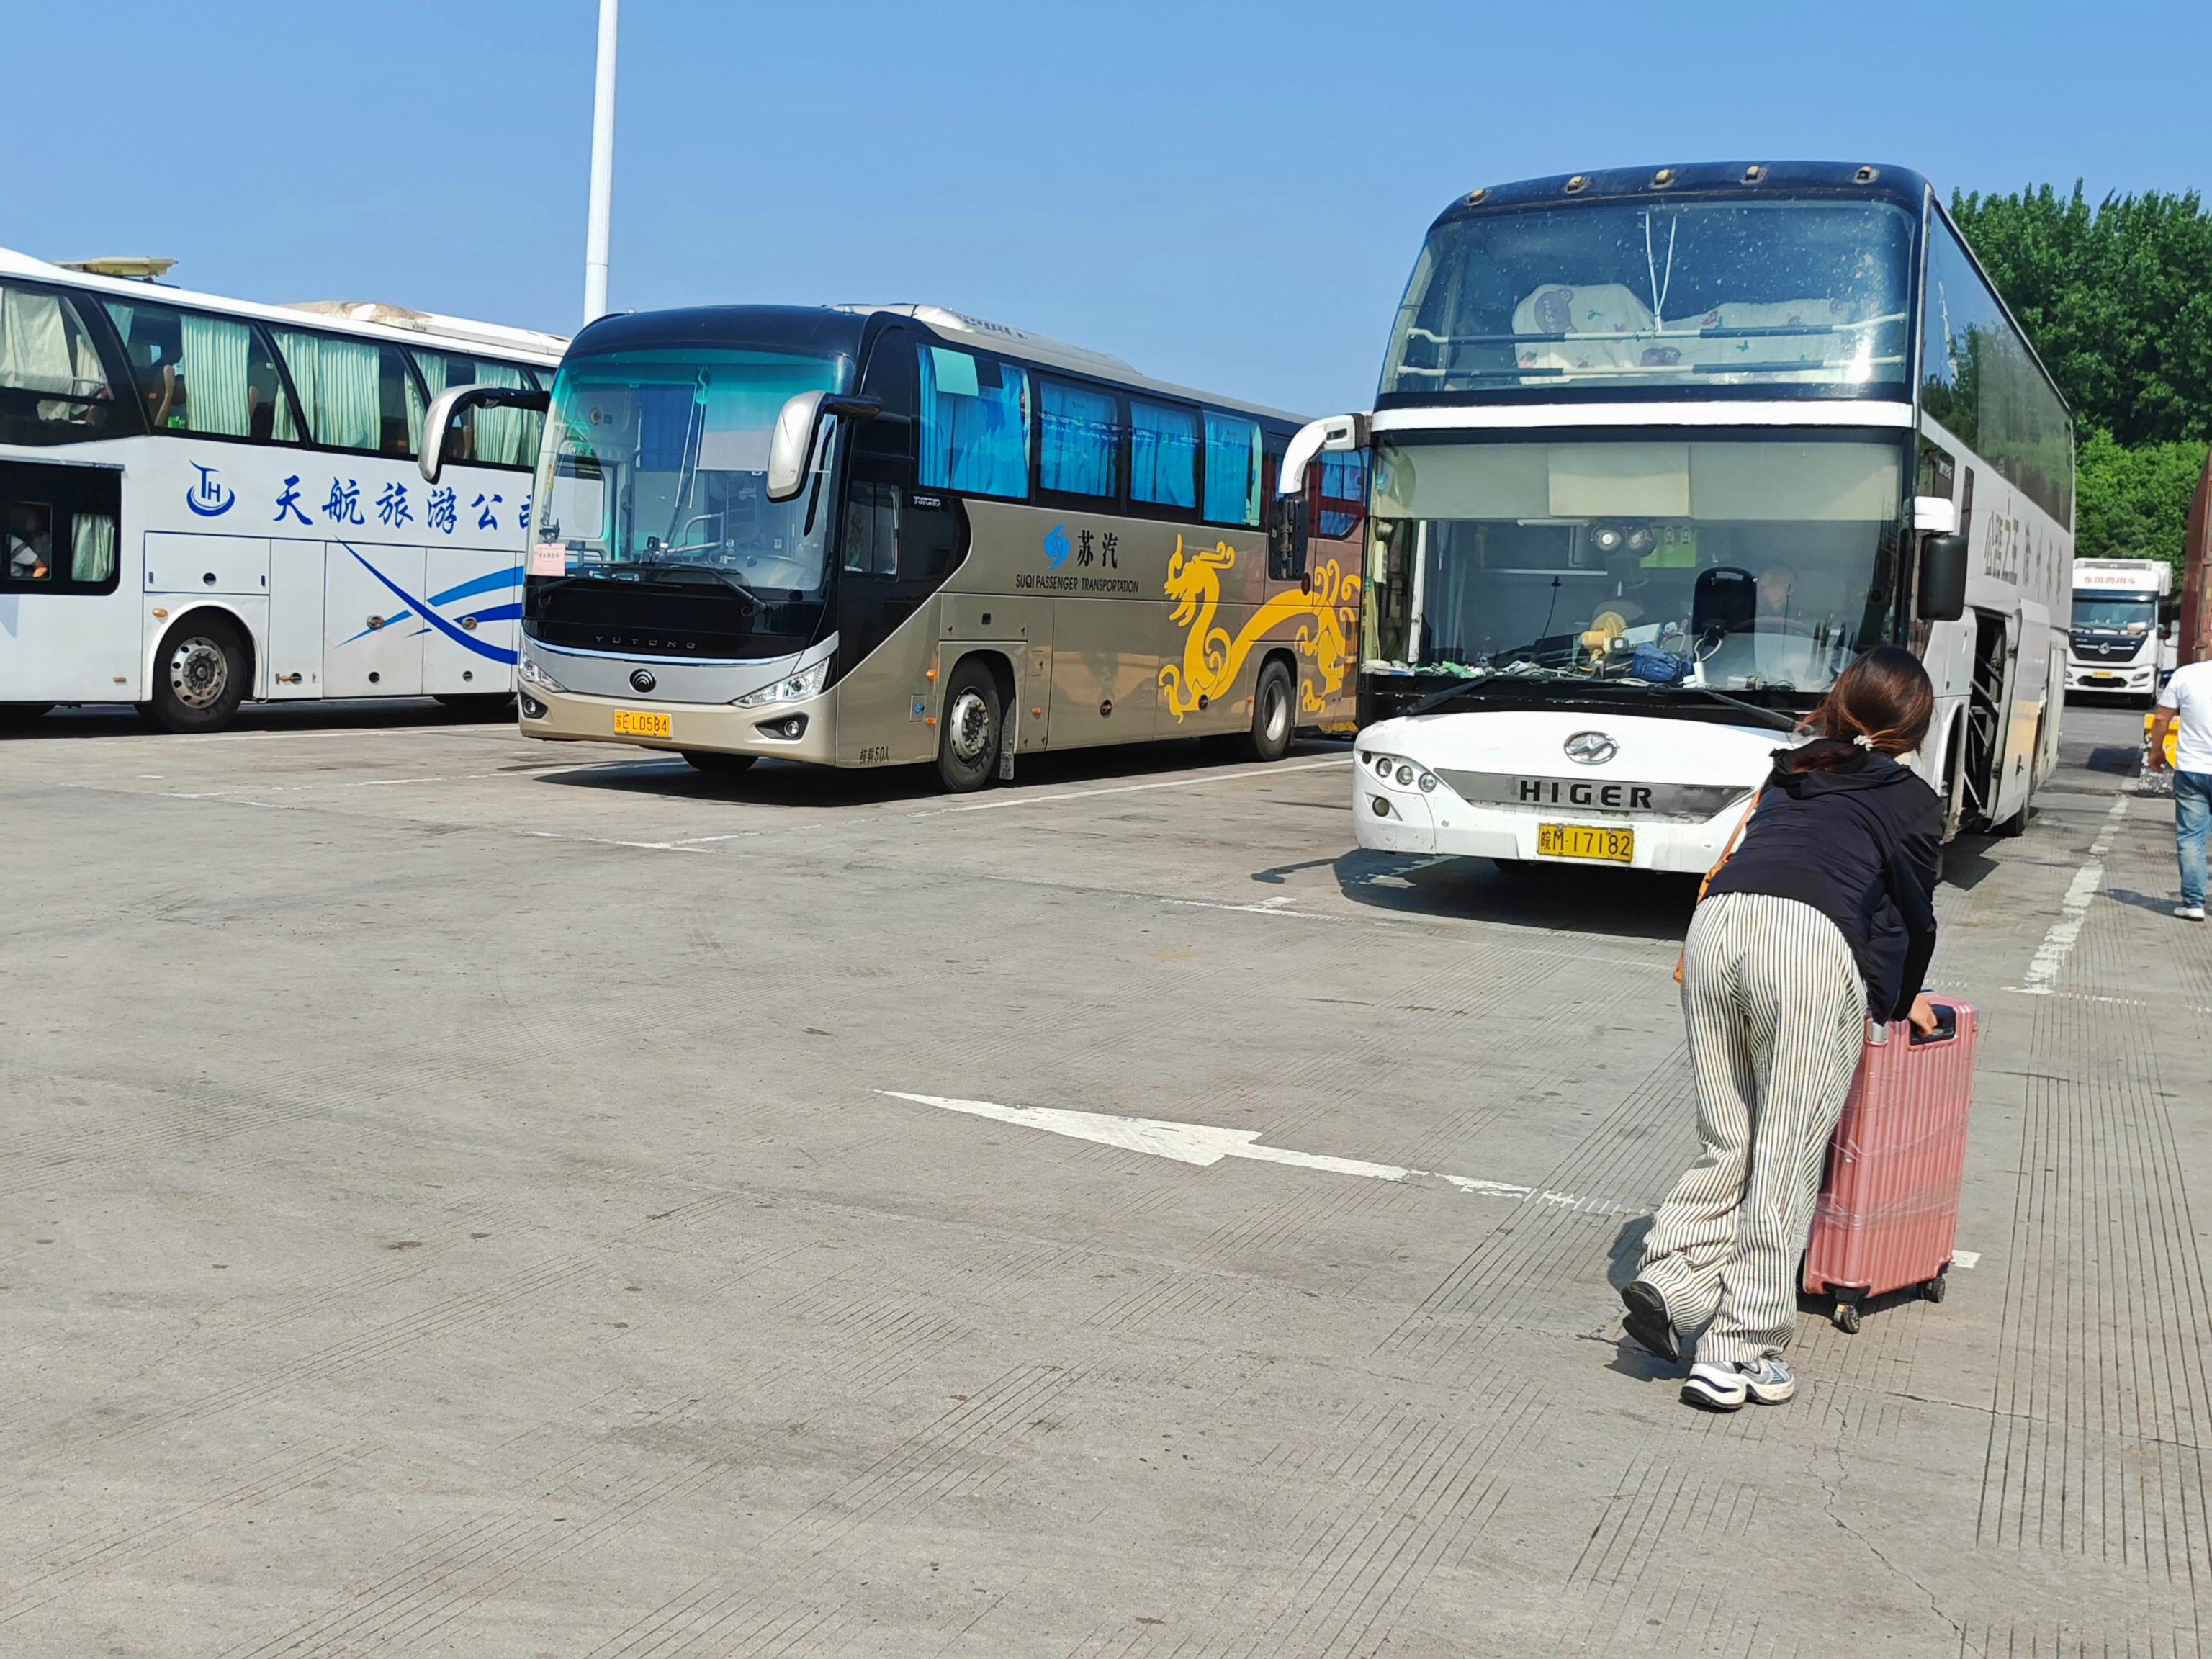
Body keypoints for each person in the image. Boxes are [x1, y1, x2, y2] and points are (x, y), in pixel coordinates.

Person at [1622, 646, 1942, 1411]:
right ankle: (1740, 1351)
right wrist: (1899, 999)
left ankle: (1672, 1281)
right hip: (1805, 947)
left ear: (1841, 700)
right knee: (1785, 1153)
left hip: (1717, 929)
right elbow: (1908, 920)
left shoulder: (1794, 769)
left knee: (1727, 1136)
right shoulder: (1912, 801)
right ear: (1913, 729)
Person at [2148, 654, 2212, 921]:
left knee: (2191, 839)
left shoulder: (2187, 675)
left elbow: (2162, 719)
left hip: (2193, 769)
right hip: (2193, 768)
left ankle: (2194, 904)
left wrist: (2156, 751)